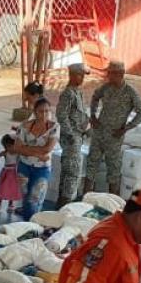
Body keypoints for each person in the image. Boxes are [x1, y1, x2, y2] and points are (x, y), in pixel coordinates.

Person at [85, 61, 141, 197]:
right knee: (91, 166)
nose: (108, 76)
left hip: (114, 137)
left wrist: (126, 128)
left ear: (121, 74)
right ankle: (85, 199)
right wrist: (93, 116)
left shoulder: (130, 92)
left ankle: (113, 203)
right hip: (99, 133)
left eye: (111, 73)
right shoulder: (106, 88)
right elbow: (95, 97)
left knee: (113, 170)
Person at [11, 97, 58, 219]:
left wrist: (26, 149)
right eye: (40, 111)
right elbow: (17, 147)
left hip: (42, 169)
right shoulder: (24, 126)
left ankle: (32, 226)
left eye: (47, 111)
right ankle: (27, 223)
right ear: (35, 112)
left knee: (35, 200)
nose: (44, 114)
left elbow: (47, 149)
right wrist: (38, 154)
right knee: (25, 198)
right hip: (24, 167)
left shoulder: (54, 127)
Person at [55, 63, 89, 204]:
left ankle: (62, 202)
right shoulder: (68, 93)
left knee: (69, 172)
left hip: (78, 135)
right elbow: (61, 115)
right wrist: (70, 134)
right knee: (72, 172)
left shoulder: (78, 92)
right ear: (73, 75)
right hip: (71, 138)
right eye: (80, 75)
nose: (82, 78)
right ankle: (65, 203)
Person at [0, 134, 22, 214]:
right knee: (3, 187)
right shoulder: (5, 152)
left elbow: (22, 159)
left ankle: (11, 203)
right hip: (6, 172)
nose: (9, 148)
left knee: (12, 188)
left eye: (10, 146)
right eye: (7, 146)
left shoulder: (18, 153)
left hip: (13, 172)